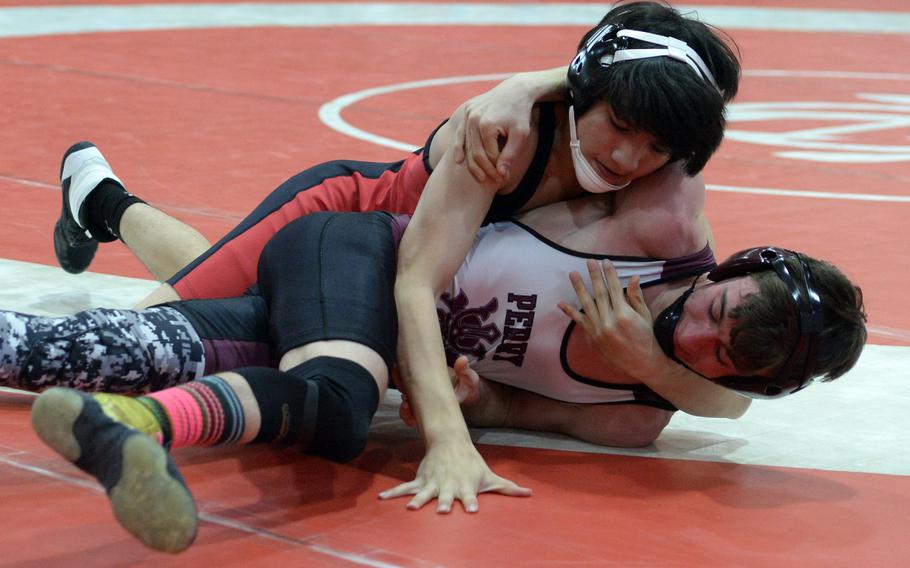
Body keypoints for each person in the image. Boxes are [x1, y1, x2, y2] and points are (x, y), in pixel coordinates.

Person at [26, 196, 866, 553]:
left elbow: (504, 403)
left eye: (722, 361)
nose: (698, 336)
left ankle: (102, 202)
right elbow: (640, 87)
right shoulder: (656, 226)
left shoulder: (630, 417)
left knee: (95, 352)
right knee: (340, 404)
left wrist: (474, 400)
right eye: (716, 313)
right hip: (357, 244)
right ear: (728, 270)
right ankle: (140, 430)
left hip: (326, 320)